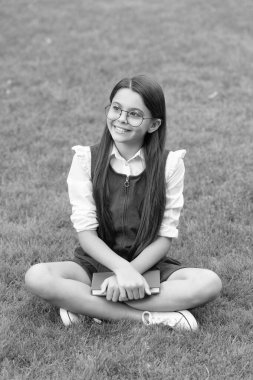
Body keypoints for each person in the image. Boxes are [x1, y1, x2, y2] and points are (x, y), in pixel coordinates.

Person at [25, 75, 222, 331]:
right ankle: (148, 317)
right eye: (116, 109)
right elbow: (86, 233)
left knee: (209, 283)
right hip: (94, 264)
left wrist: (131, 273)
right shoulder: (86, 159)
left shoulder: (170, 164)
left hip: (147, 266)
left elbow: (164, 236)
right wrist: (119, 270)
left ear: (153, 125)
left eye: (134, 114)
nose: (121, 119)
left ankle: (86, 305)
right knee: (38, 276)